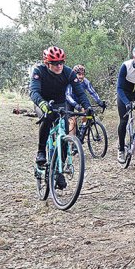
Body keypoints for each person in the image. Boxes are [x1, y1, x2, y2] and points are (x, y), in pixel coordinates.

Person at [29, 46, 93, 175]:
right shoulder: (39, 71)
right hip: (42, 102)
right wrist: (42, 104)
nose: (59, 66)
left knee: (64, 132)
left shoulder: (68, 72)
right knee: (47, 118)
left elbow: (80, 93)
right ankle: (41, 152)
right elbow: (34, 92)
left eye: (61, 63)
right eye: (55, 63)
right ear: (47, 64)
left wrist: (87, 107)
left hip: (60, 103)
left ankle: (59, 170)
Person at [65, 64, 106, 135]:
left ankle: (83, 127)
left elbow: (92, 92)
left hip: (80, 99)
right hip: (69, 101)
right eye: (79, 74)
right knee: (72, 121)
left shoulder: (85, 81)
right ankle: (72, 142)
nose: (81, 76)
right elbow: (68, 96)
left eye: (83, 74)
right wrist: (76, 106)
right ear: (74, 74)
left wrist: (99, 101)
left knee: (88, 111)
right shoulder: (70, 82)